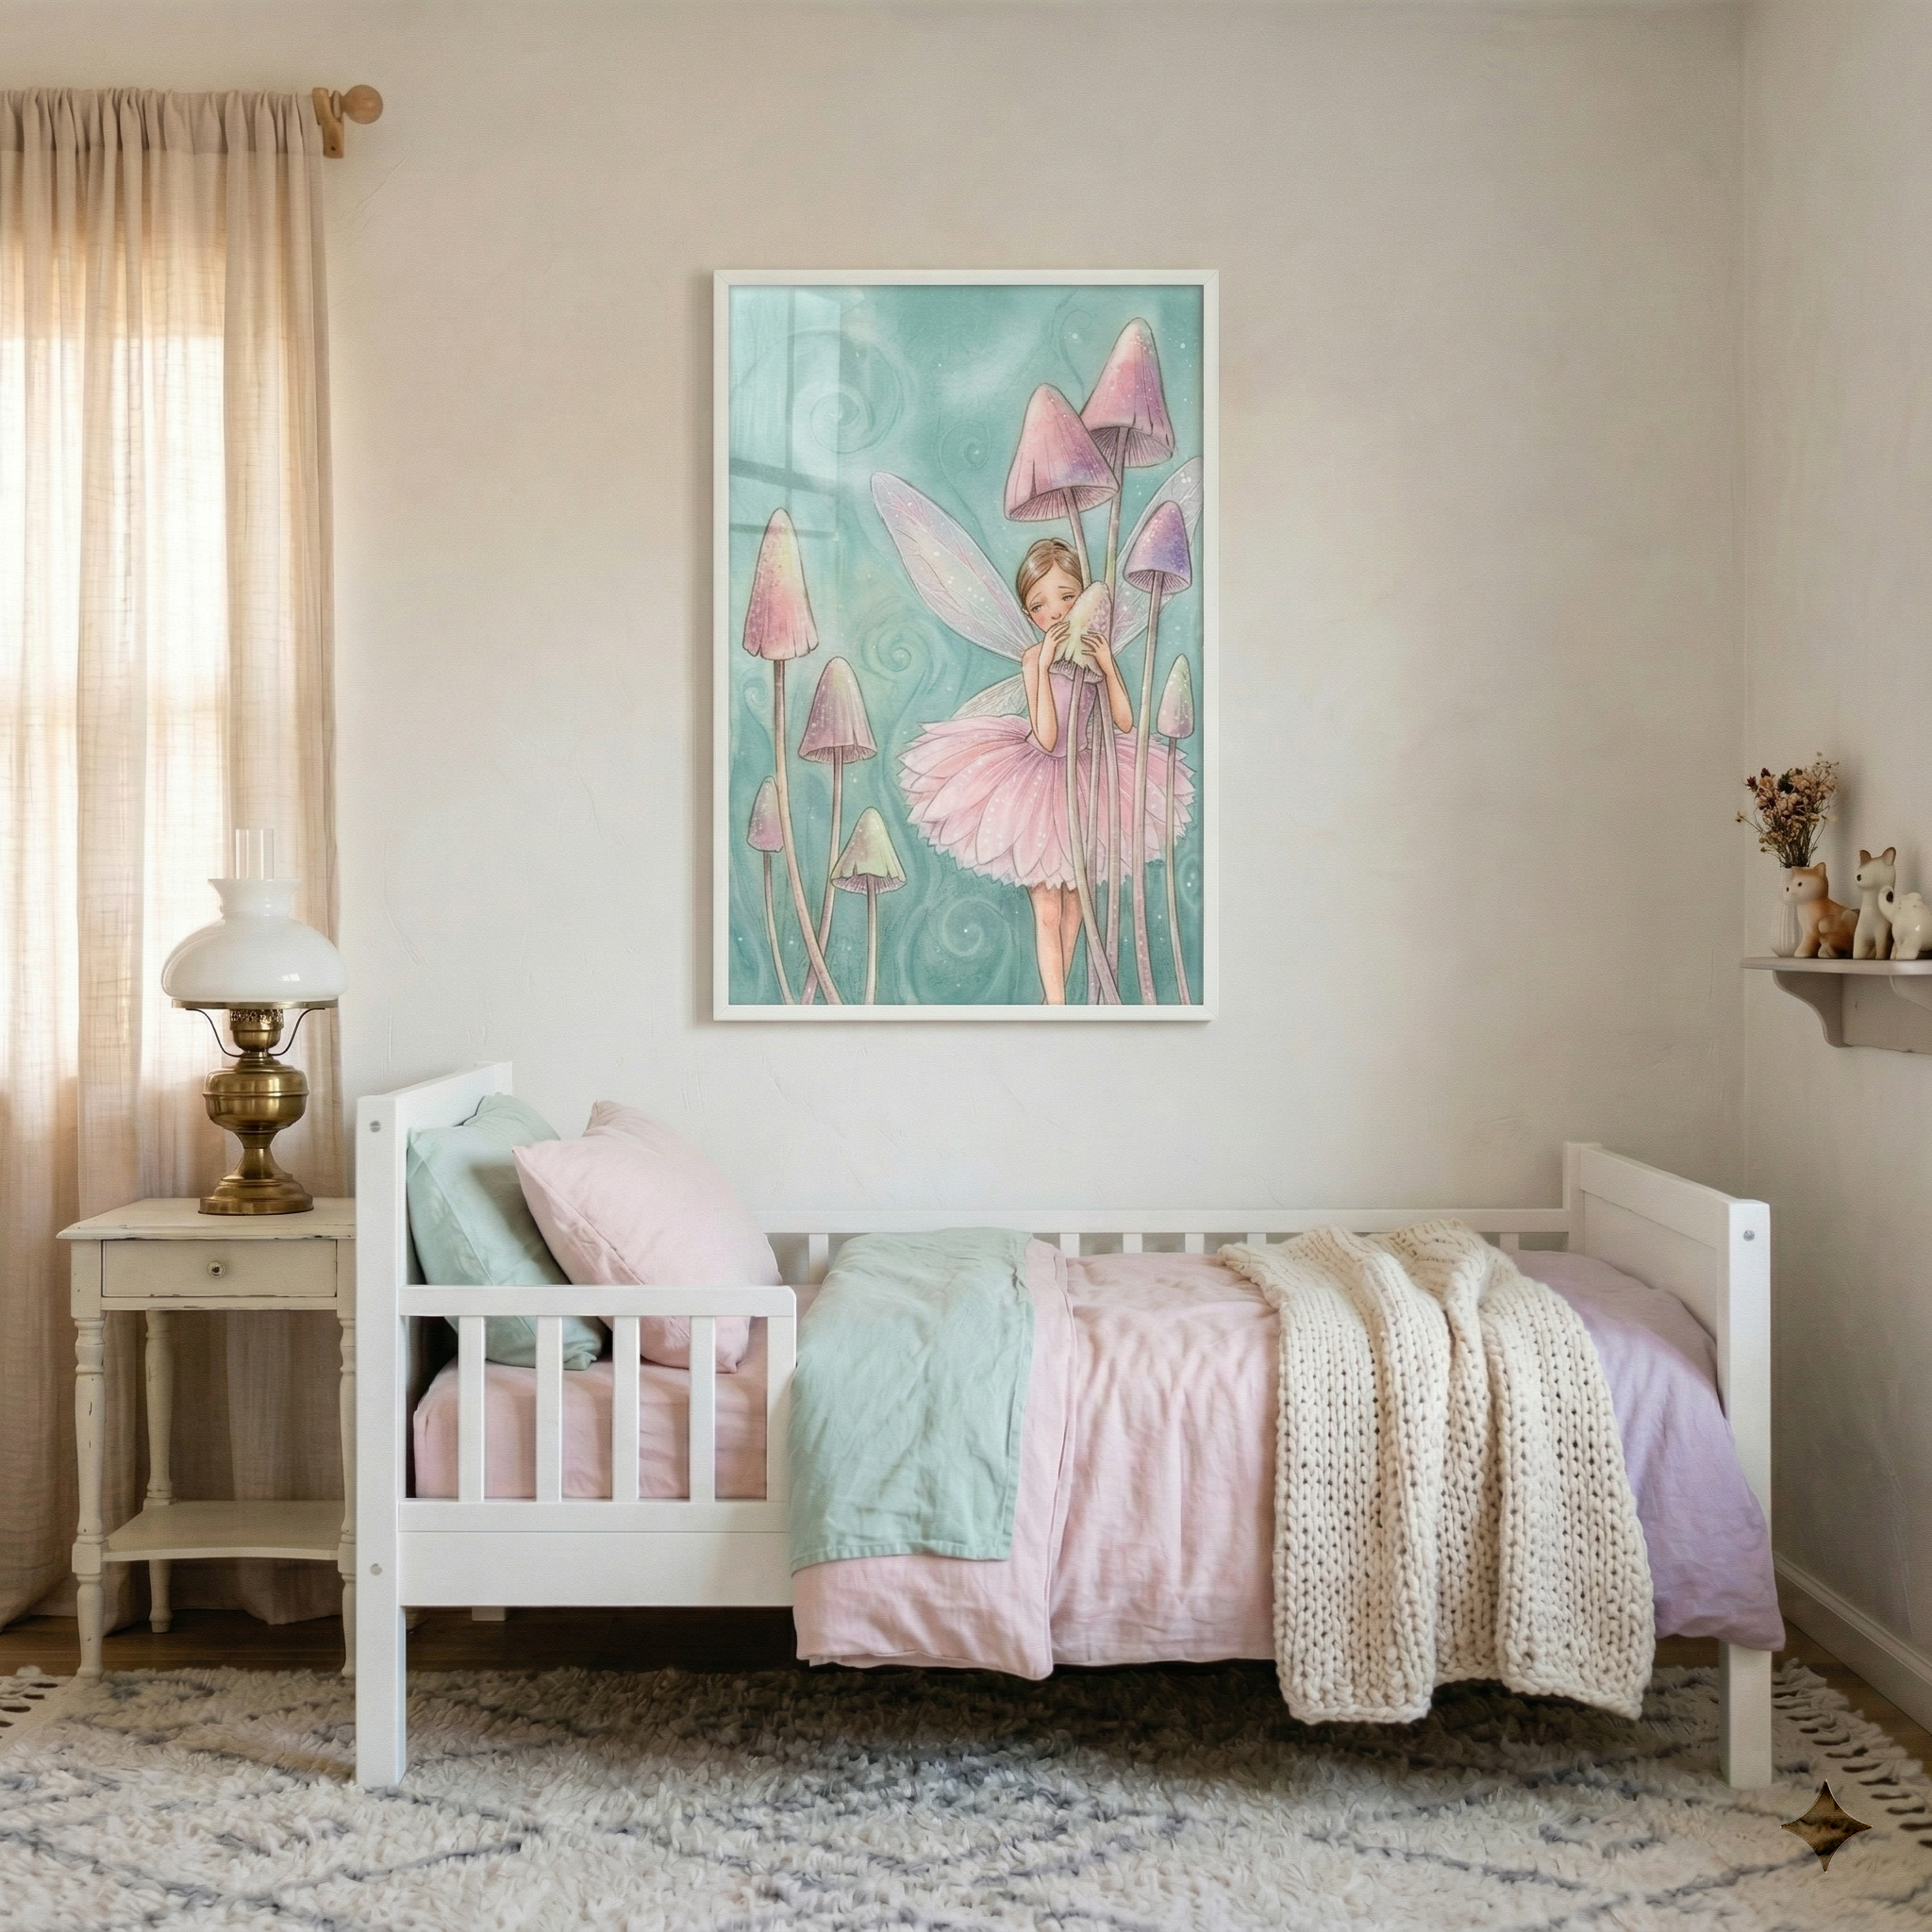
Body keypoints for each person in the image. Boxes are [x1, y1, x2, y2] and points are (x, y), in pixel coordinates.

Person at [898, 538, 1191, 1003]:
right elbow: (1049, 737)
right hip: (1038, 780)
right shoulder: (1036, 658)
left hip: (1087, 780)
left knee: (1076, 905)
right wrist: (1043, 667)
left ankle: (1053, 1001)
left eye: (1067, 596)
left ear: (1084, 598)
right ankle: (1055, 1003)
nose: (1056, 611)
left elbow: (1124, 722)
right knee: (1047, 907)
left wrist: (1108, 665)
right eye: (1040, 604)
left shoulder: (1094, 655)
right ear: (1028, 614)